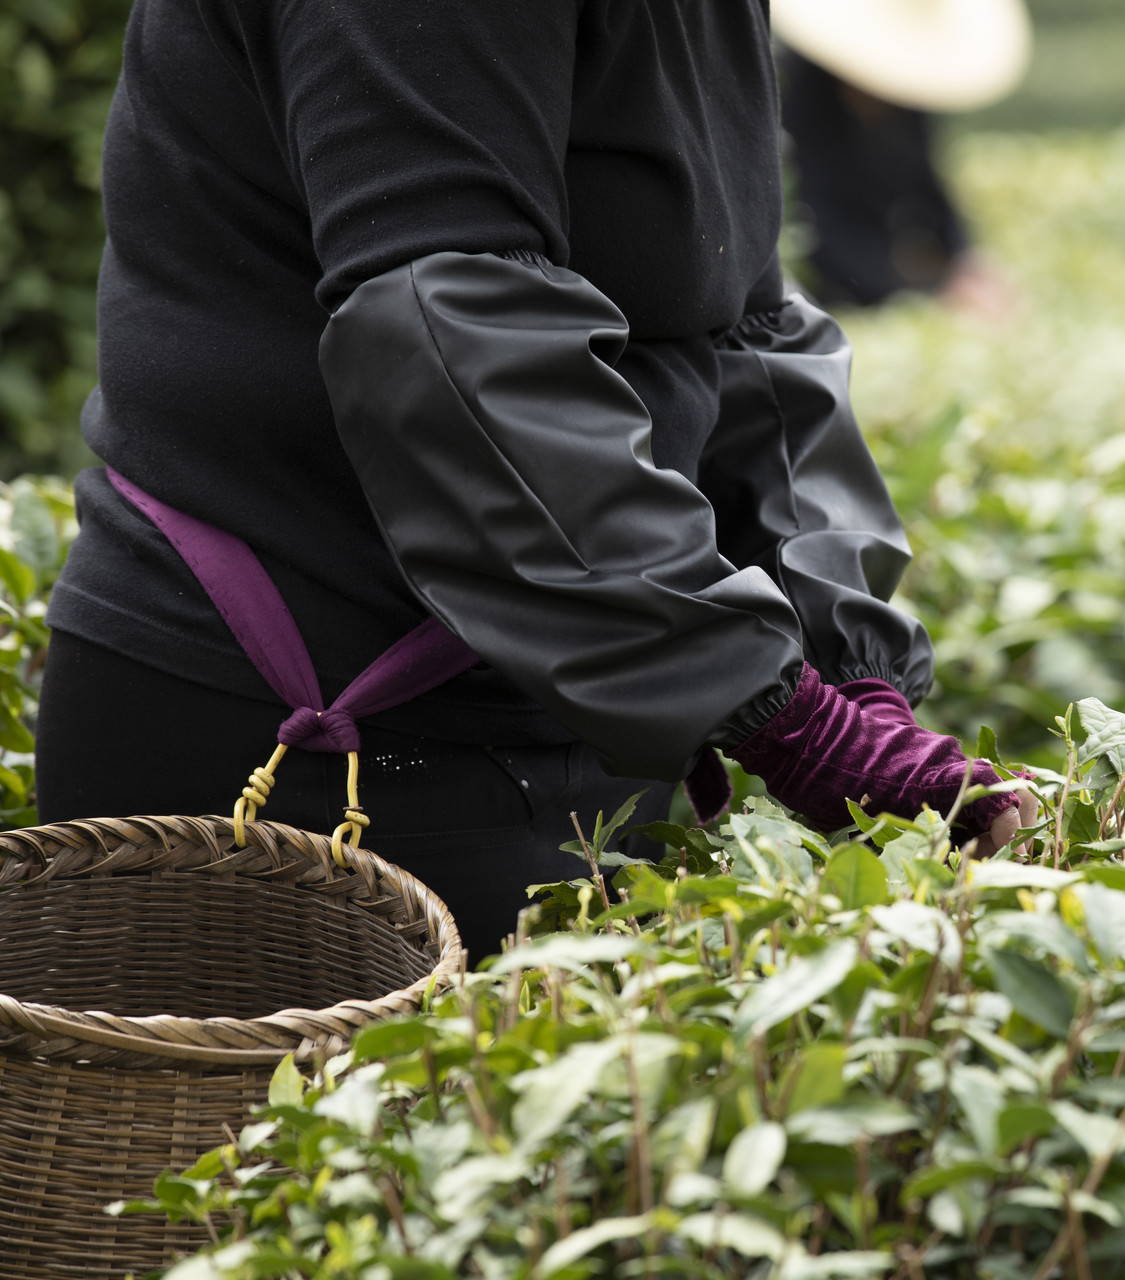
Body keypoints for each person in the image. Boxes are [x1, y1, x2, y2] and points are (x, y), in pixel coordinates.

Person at [36, 0, 1032, 955]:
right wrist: (782, 715)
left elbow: (742, 325)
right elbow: (451, 342)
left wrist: (852, 672)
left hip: (572, 713)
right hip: (299, 743)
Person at [771, 0, 1028, 311]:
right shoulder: (793, 95)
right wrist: (928, 290)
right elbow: (816, 220)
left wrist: (964, 260)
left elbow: (927, 182)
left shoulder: (910, 93)